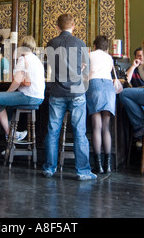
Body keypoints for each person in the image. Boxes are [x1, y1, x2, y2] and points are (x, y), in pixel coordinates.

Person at [42, 13, 96, 181]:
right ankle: (83, 171)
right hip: (77, 93)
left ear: (57, 27)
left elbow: (50, 67)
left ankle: (50, 168)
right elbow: (85, 72)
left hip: (57, 92)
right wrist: (80, 68)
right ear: (73, 26)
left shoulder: (50, 44)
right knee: (80, 132)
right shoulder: (80, 44)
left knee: (52, 131)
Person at [0, 36, 45, 143]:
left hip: (29, 96)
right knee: (3, 105)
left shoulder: (24, 58)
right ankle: (11, 134)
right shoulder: (36, 60)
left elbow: (17, 81)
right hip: (38, 97)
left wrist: (7, 93)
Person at [86, 35, 116, 174]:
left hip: (95, 85)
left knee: (96, 127)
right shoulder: (109, 57)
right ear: (107, 47)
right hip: (109, 87)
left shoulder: (90, 55)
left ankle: (98, 166)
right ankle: (108, 165)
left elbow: (84, 72)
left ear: (95, 45)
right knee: (106, 127)